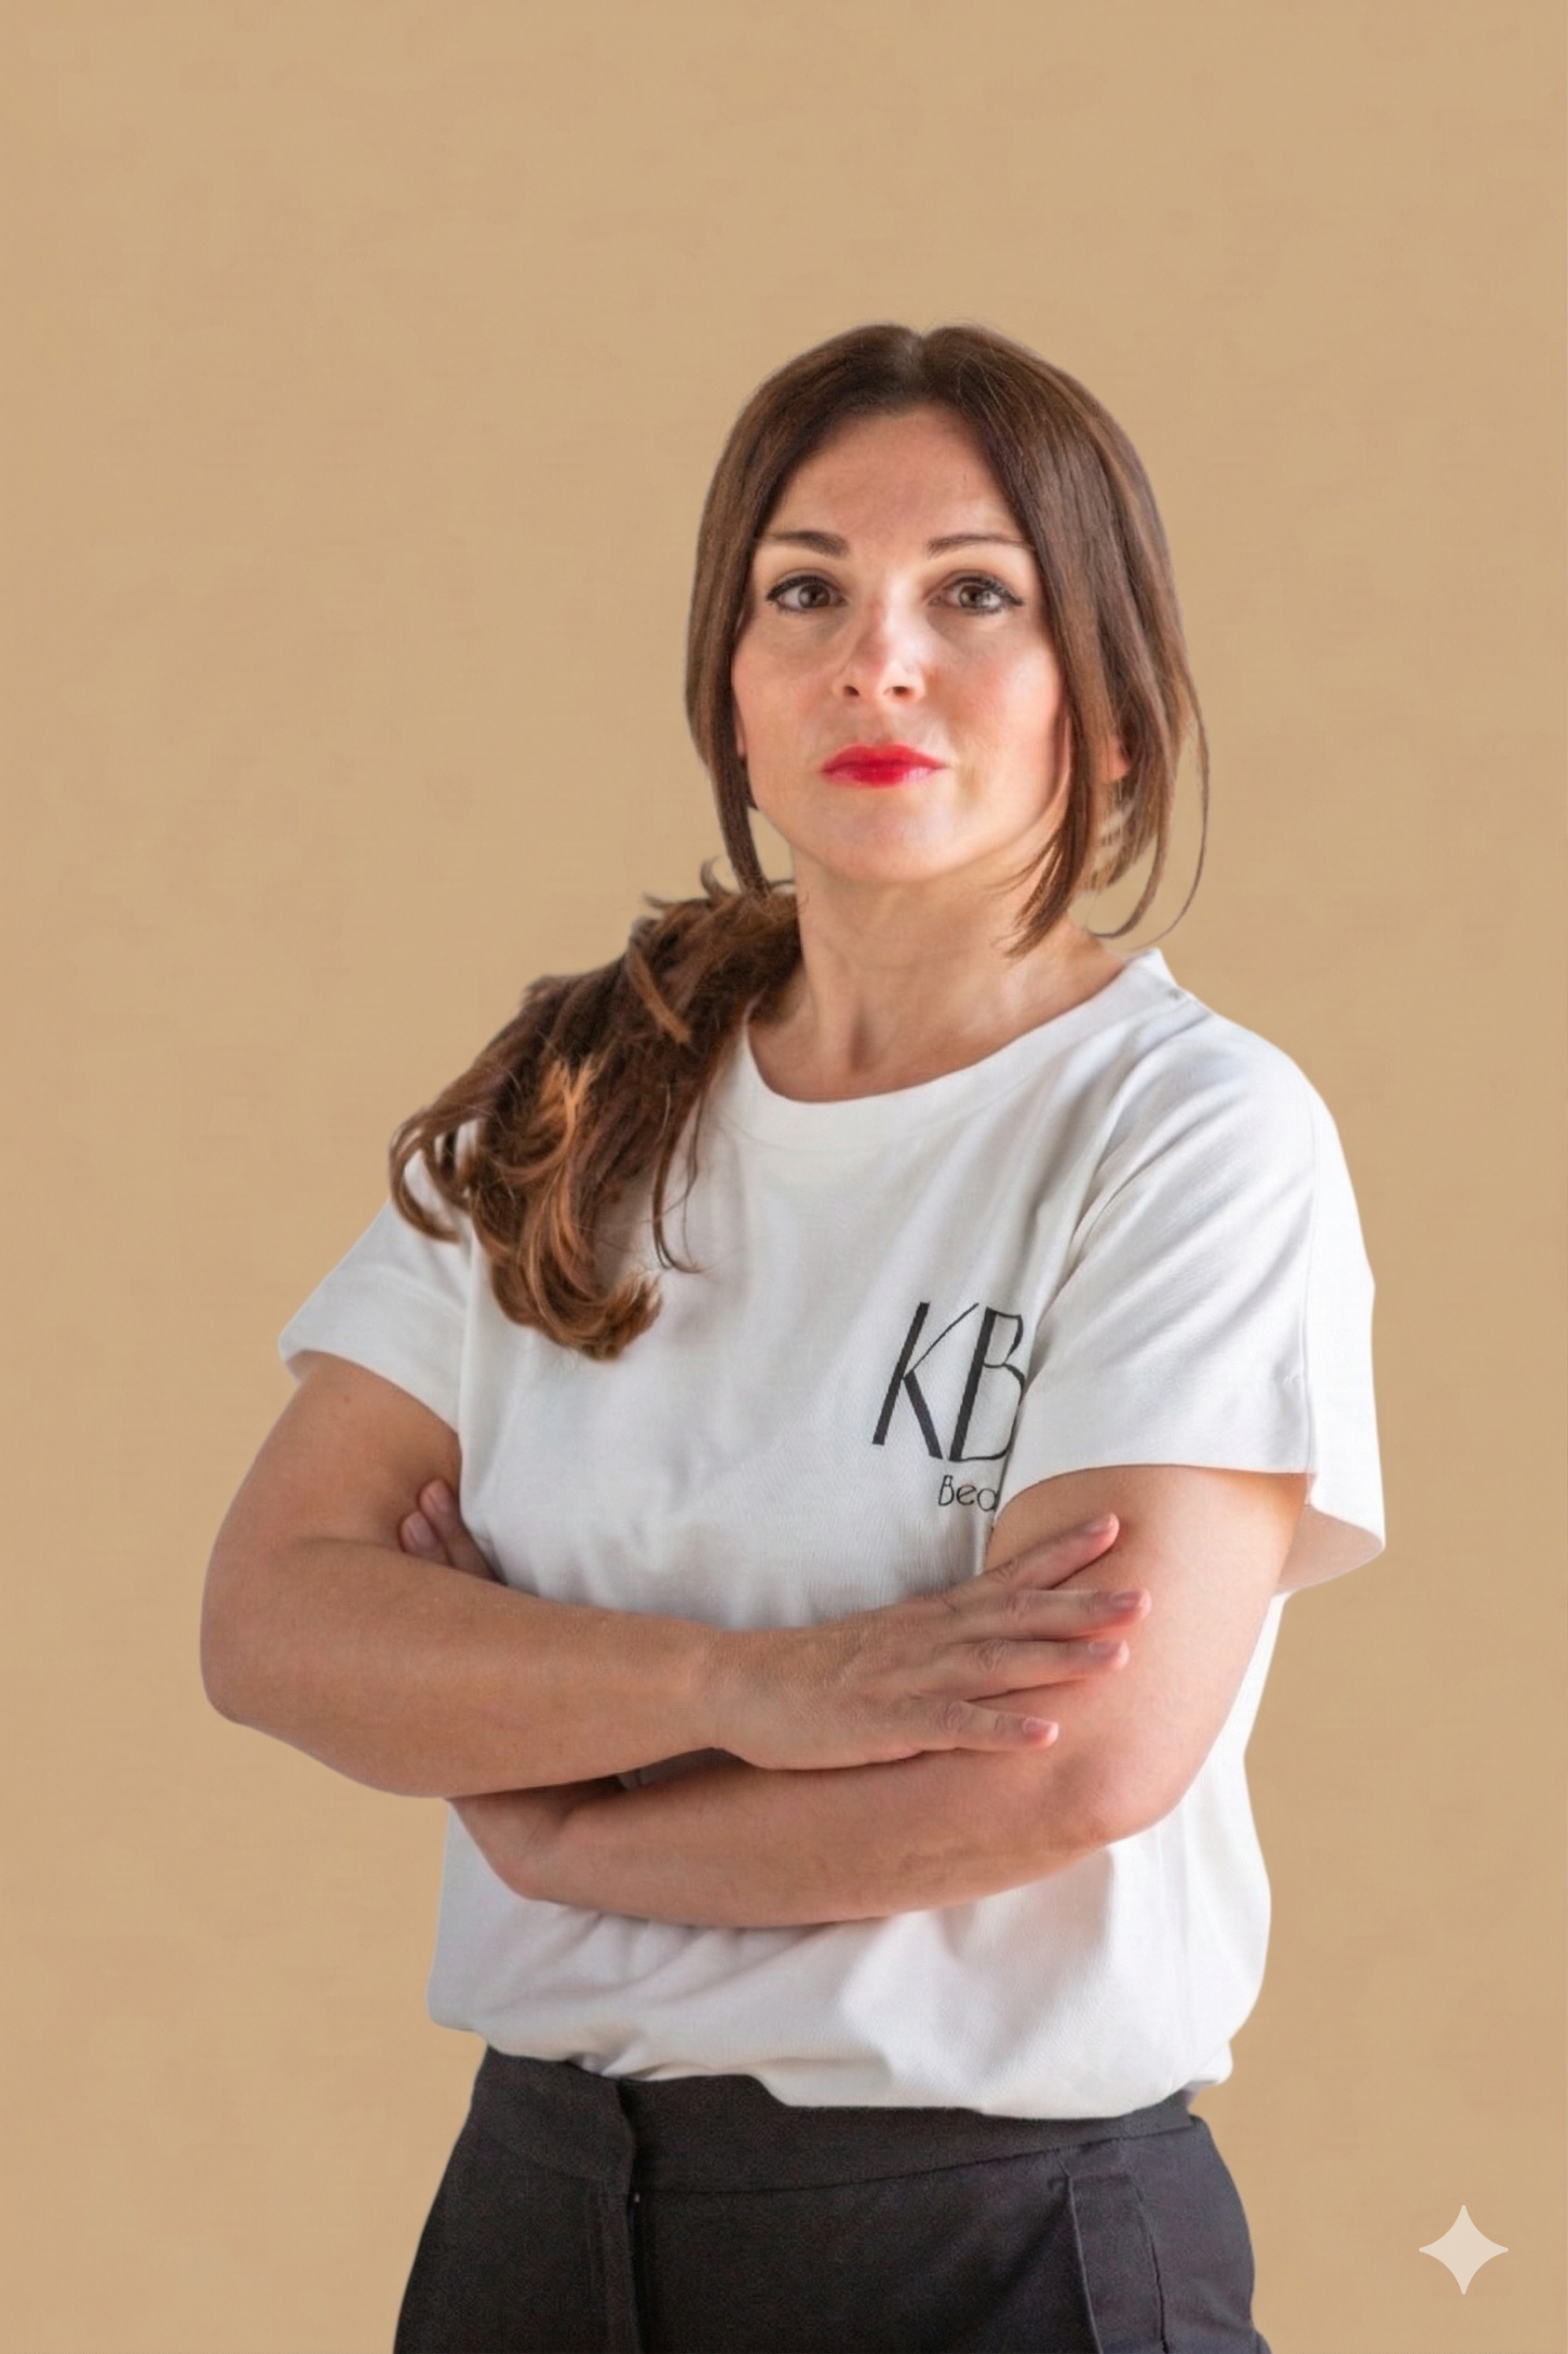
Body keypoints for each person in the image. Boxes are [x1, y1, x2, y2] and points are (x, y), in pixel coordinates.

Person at [201, 322, 1383, 2354]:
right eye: (803, 589)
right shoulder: (569, 1106)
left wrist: (556, 1810)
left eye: (972, 594)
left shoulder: (1184, 1132)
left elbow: (1070, 1763)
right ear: (727, 692)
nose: (875, 660)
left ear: (1106, 710)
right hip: (534, 2232)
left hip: (991, 2247)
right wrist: (770, 1689)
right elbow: (277, 1620)